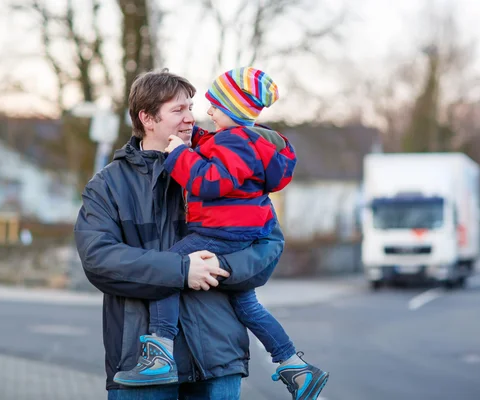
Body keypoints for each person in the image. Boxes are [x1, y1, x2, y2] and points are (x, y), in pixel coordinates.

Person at [113, 67, 329, 400]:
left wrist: (179, 155)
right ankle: (294, 365)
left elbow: (210, 181)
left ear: (233, 109)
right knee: (248, 306)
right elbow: (217, 152)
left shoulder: (234, 143)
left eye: (214, 105)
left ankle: (160, 352)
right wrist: (193, 140)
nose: (206, 113)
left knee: (170, 267)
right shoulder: (248, 142)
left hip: (219, 232)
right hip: (242, 235)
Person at [74, 68, 286, 400]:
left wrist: (223, 267)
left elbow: (270, 244)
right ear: (147, 118)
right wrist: (183, 271)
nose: (191, 118)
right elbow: (99, 260)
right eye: (178, 110)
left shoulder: (227, 165)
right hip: (139, 366)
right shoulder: (108, 185)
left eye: (191, 107)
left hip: (218, 361)